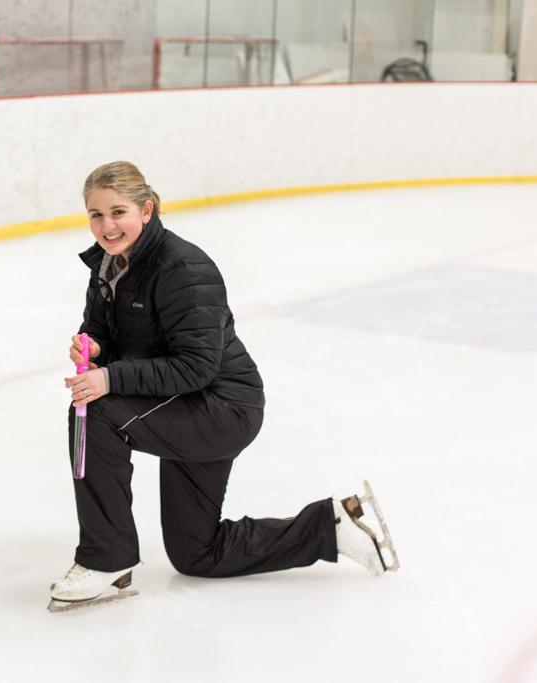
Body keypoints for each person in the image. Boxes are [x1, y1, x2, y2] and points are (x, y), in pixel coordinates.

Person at [49, 161, 399, 610]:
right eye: (96, 215)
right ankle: (329, 527)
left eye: (118, 212)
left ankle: (106, 559)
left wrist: (109, 376)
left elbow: (195, 366)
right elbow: (102, 330)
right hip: (178, 404)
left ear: (147, 210)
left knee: (96, 413)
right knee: (197, 553)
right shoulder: (108, 267)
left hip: (221, 407)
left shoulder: (184, 267)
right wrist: (93, 348)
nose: (106, 225)